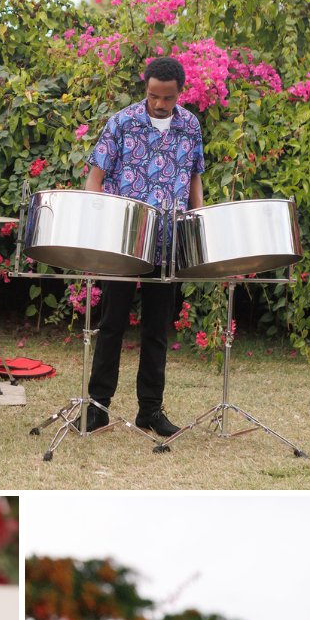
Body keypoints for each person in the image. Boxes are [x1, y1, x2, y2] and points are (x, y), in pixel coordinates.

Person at [83, 56, 204, 438]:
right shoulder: (121, 122)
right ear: (145, 89)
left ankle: (150, 411)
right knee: (111, 325)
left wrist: (197, 223)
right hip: (124, 239)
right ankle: (97, 409)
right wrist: (100, 223)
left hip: (169, 241)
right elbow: (94, 180)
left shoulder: (190, 126)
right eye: (153, 96)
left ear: (179, 93)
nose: (159, 104)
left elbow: (194, 179)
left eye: (167, 98)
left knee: (156, 330)